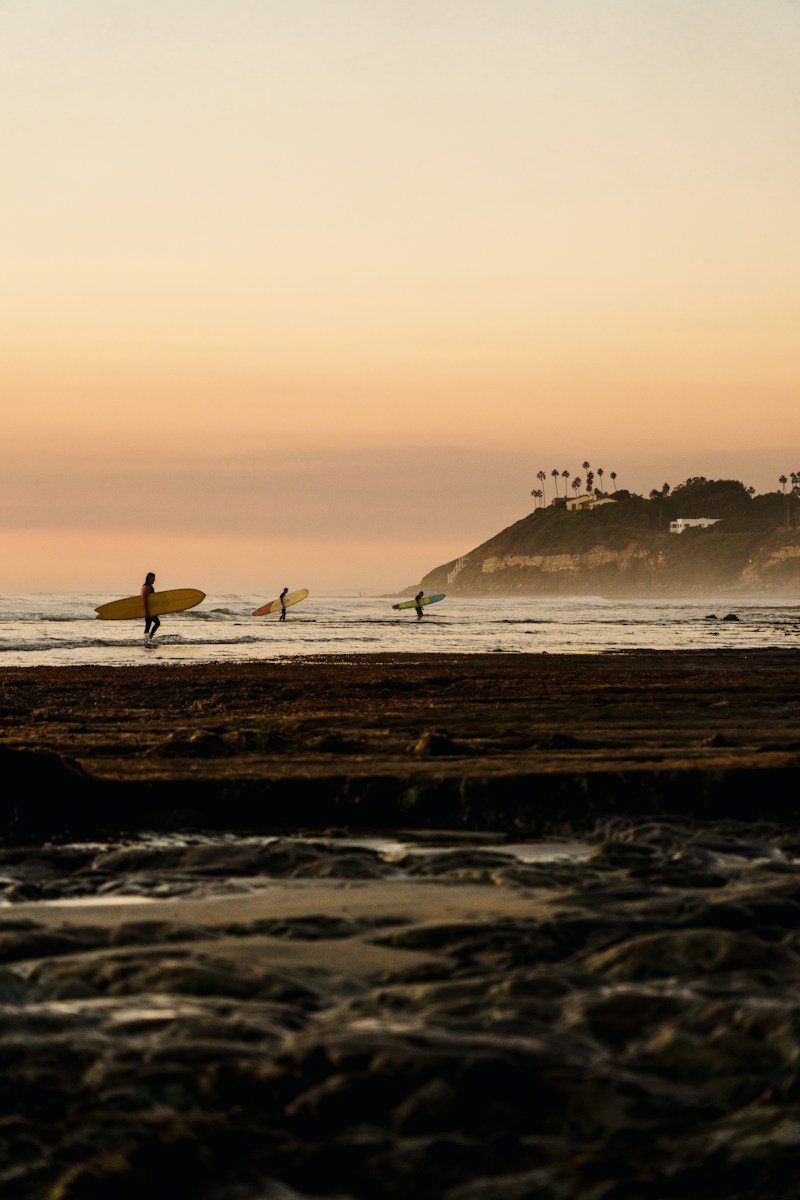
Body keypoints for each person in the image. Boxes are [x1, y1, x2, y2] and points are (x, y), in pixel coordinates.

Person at [141, 572, 160, 639]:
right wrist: (146, 610)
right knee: (156, 623)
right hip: (148, 610)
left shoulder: (150, 587)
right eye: (153, 578)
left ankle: (147, 639)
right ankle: (149, 638)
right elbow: (144, 599)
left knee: (148, 625)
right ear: (149, 577)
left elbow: (152, 599)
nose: (154, 580)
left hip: (151, 610)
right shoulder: (146, 587)